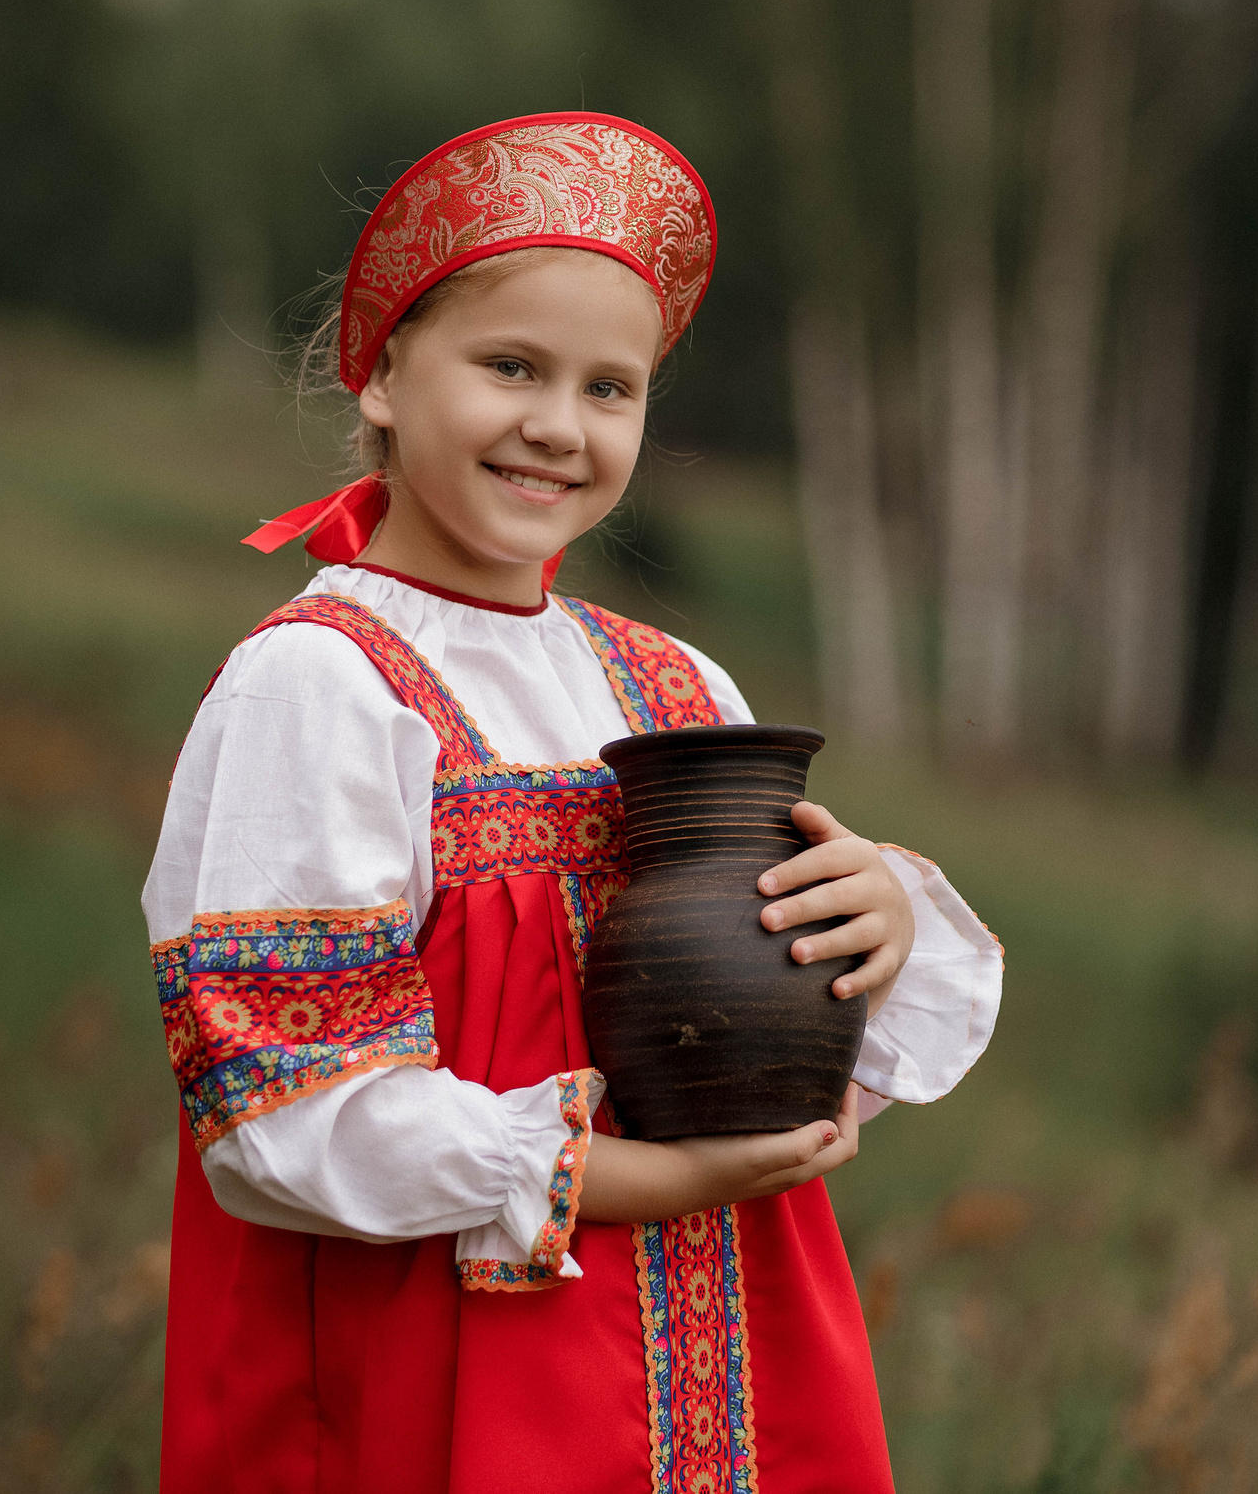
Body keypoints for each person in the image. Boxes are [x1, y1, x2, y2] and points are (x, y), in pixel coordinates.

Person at [144, 113, 1002, 1493]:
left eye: (613, 388)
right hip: (446, 1388)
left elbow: (777, 1008)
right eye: (510, 367)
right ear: (379, 374)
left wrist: (881, 919)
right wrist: (630, 1182)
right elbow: (277, 1108)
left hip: (733, 1360)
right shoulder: (319, 687)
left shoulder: (673, 685)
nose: (558, 425)